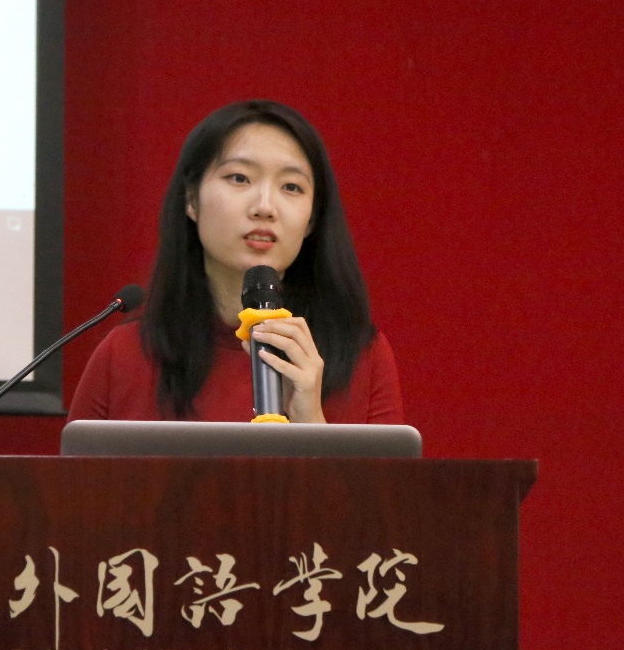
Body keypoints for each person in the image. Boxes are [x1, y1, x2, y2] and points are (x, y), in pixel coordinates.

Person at [68, 99, 404, 424]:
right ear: (191, 199)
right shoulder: (123, 356)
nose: (264, 207)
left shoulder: (365, 360)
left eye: (291, 186)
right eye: (240, 178)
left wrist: (311, 424)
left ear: (312, 219)